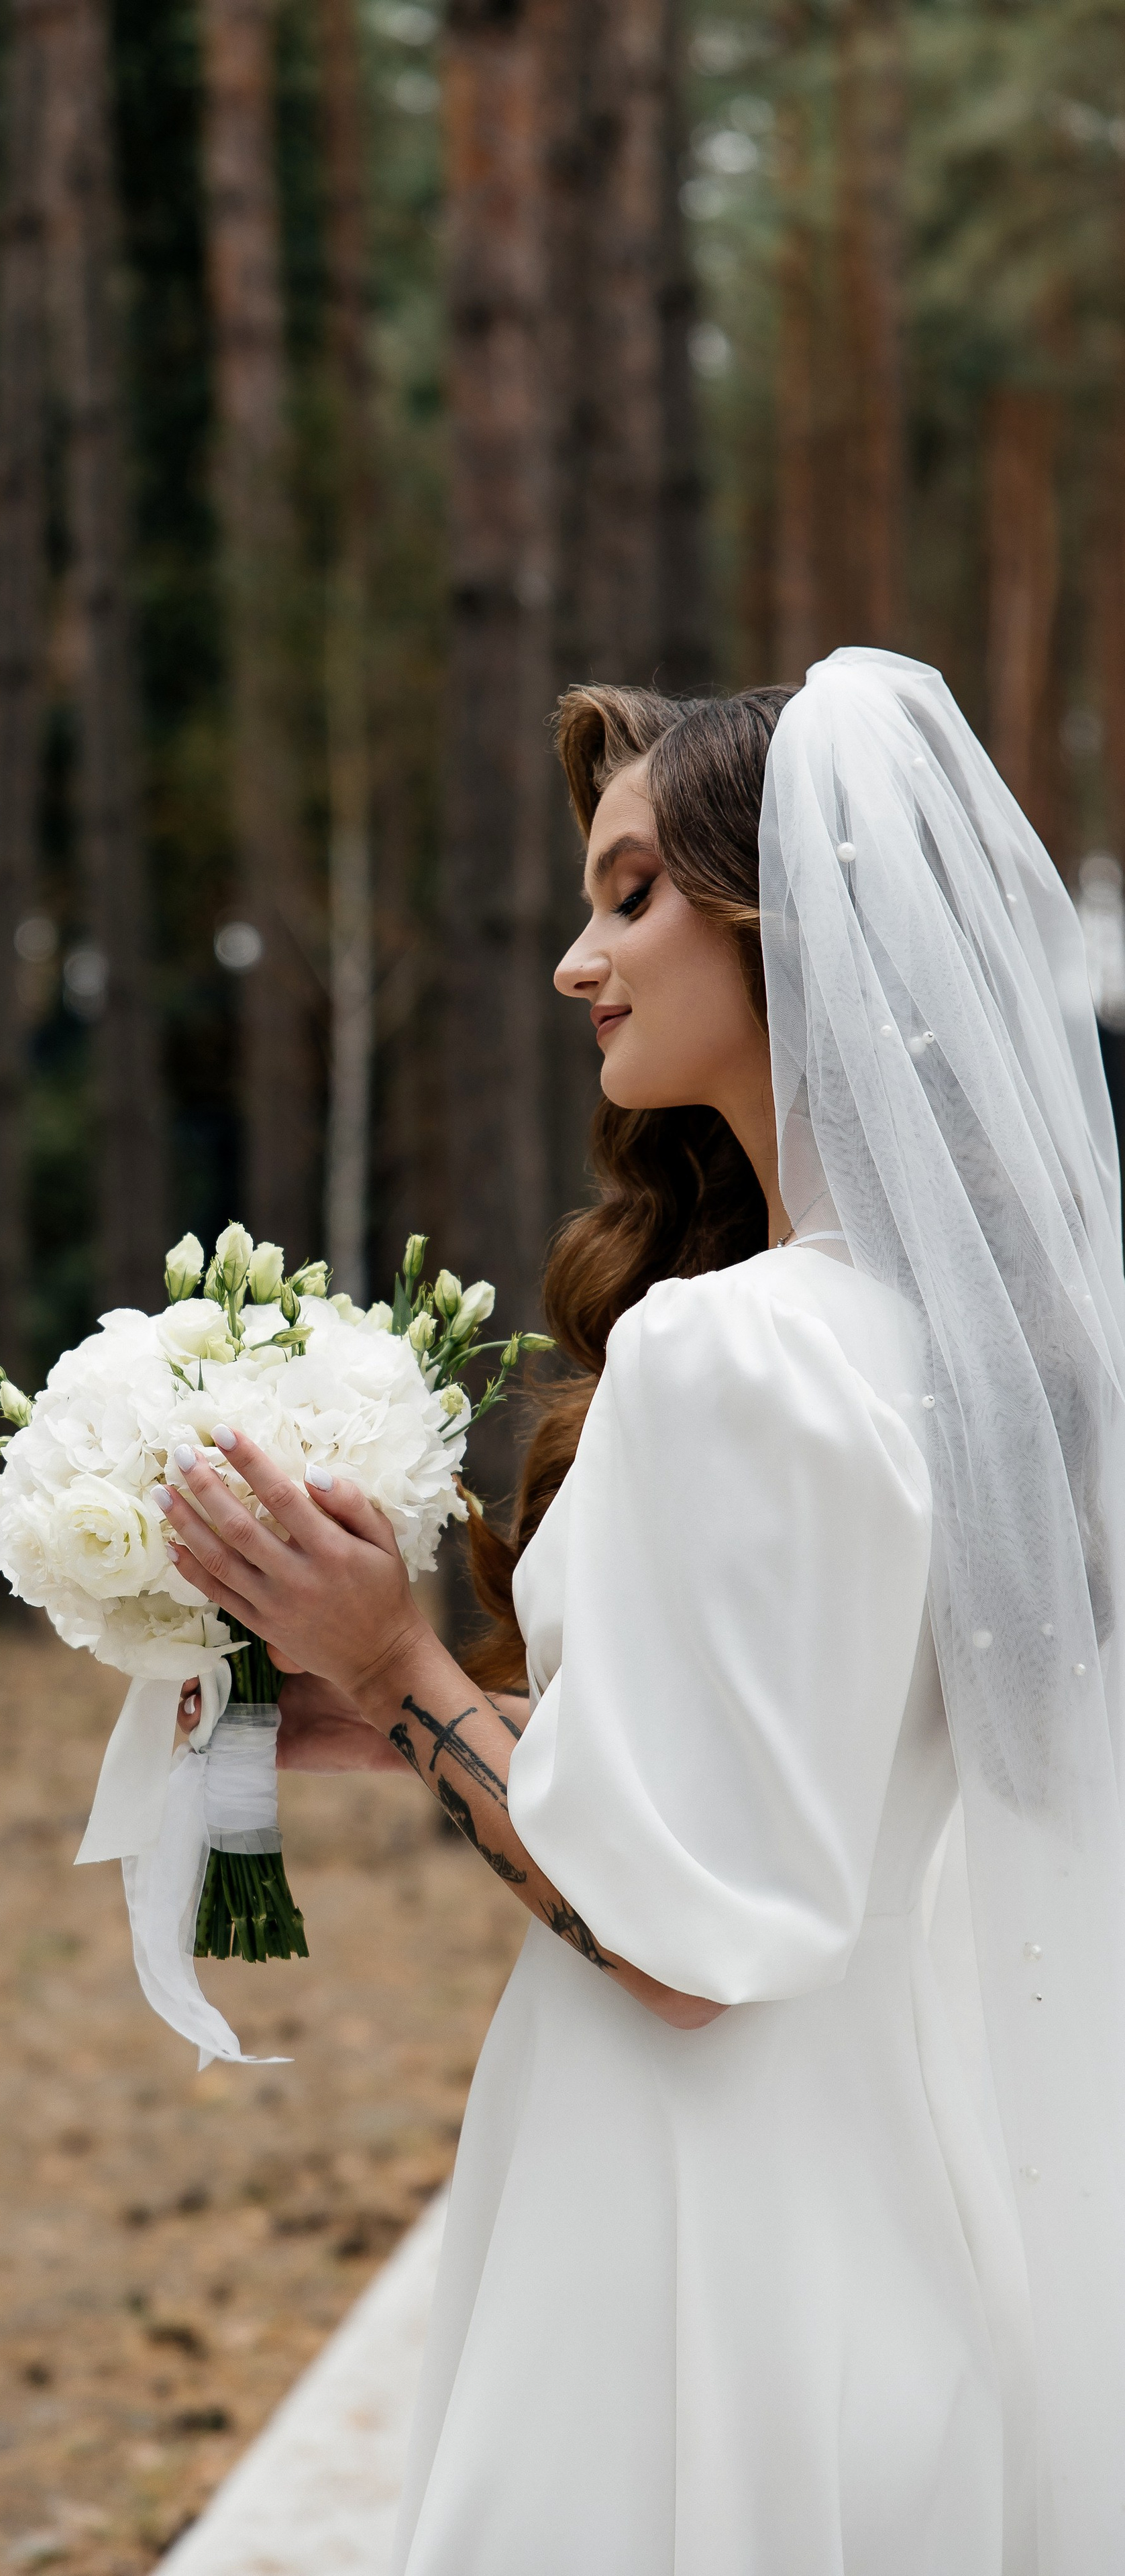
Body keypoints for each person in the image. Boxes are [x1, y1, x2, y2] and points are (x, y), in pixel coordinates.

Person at [160, 649, 1125, 2575]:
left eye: (627, 895)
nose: (572, 962)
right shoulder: (968, 1359)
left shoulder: (733, 1355)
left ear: (793, 916)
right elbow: (806, 1817)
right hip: (905, 2203)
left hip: (695, 2234)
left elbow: (686, 1942)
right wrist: (413, 1729)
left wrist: (407, 1664)